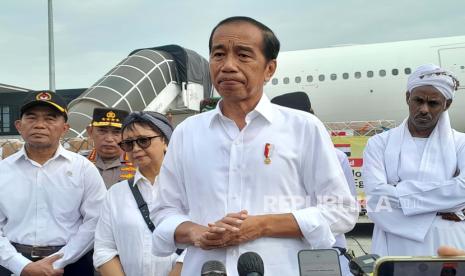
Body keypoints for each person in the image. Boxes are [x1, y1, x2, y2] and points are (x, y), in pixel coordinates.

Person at [150, 16, 358, 275]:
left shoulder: (303, 127)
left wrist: (263, 225)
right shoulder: (187, 133)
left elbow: (341, 210)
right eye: (218, 54)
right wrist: (196, 232)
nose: (227, 65)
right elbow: (163, 209)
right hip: (206, 268)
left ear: (269, 69)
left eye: (243, 55)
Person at [363, 64, 465, 256]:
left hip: (451, 242)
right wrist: (447, 206)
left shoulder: (461, 143)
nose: (424, 109)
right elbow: (377, 199)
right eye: (418, 100)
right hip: (395, 243)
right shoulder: (379, 143)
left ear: (447, 105)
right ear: (407, 97)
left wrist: (397, 191)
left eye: (433, 103)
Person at [0, 90, 106, 276]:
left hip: (72, 265)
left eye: (50, 119)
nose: (40, 125)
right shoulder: (3, 170)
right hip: (12, 263)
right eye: (31, 118)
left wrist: (59, 261)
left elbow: (95, 221)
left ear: (65, 128)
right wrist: (20, 265)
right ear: (19, 126)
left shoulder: (84, 169)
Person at [271, 91, 357, 276]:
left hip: (326, 250)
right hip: (284, 251)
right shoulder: (270, 158)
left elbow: (345, 211)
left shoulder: (335, 157)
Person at [93, 111, 181, 276]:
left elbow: (200, 244)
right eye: (128, 144)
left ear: (166, 141)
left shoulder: (189, 188)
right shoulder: (116, 194)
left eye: (143, 141)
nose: (136, 148)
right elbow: (104, 249)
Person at [86, 107, 136, 188]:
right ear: (90, 131)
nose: (109, 139)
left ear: (128, 135)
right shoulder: (78, 163)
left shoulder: (139, 165)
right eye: (102, 131)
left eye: (117, 132)